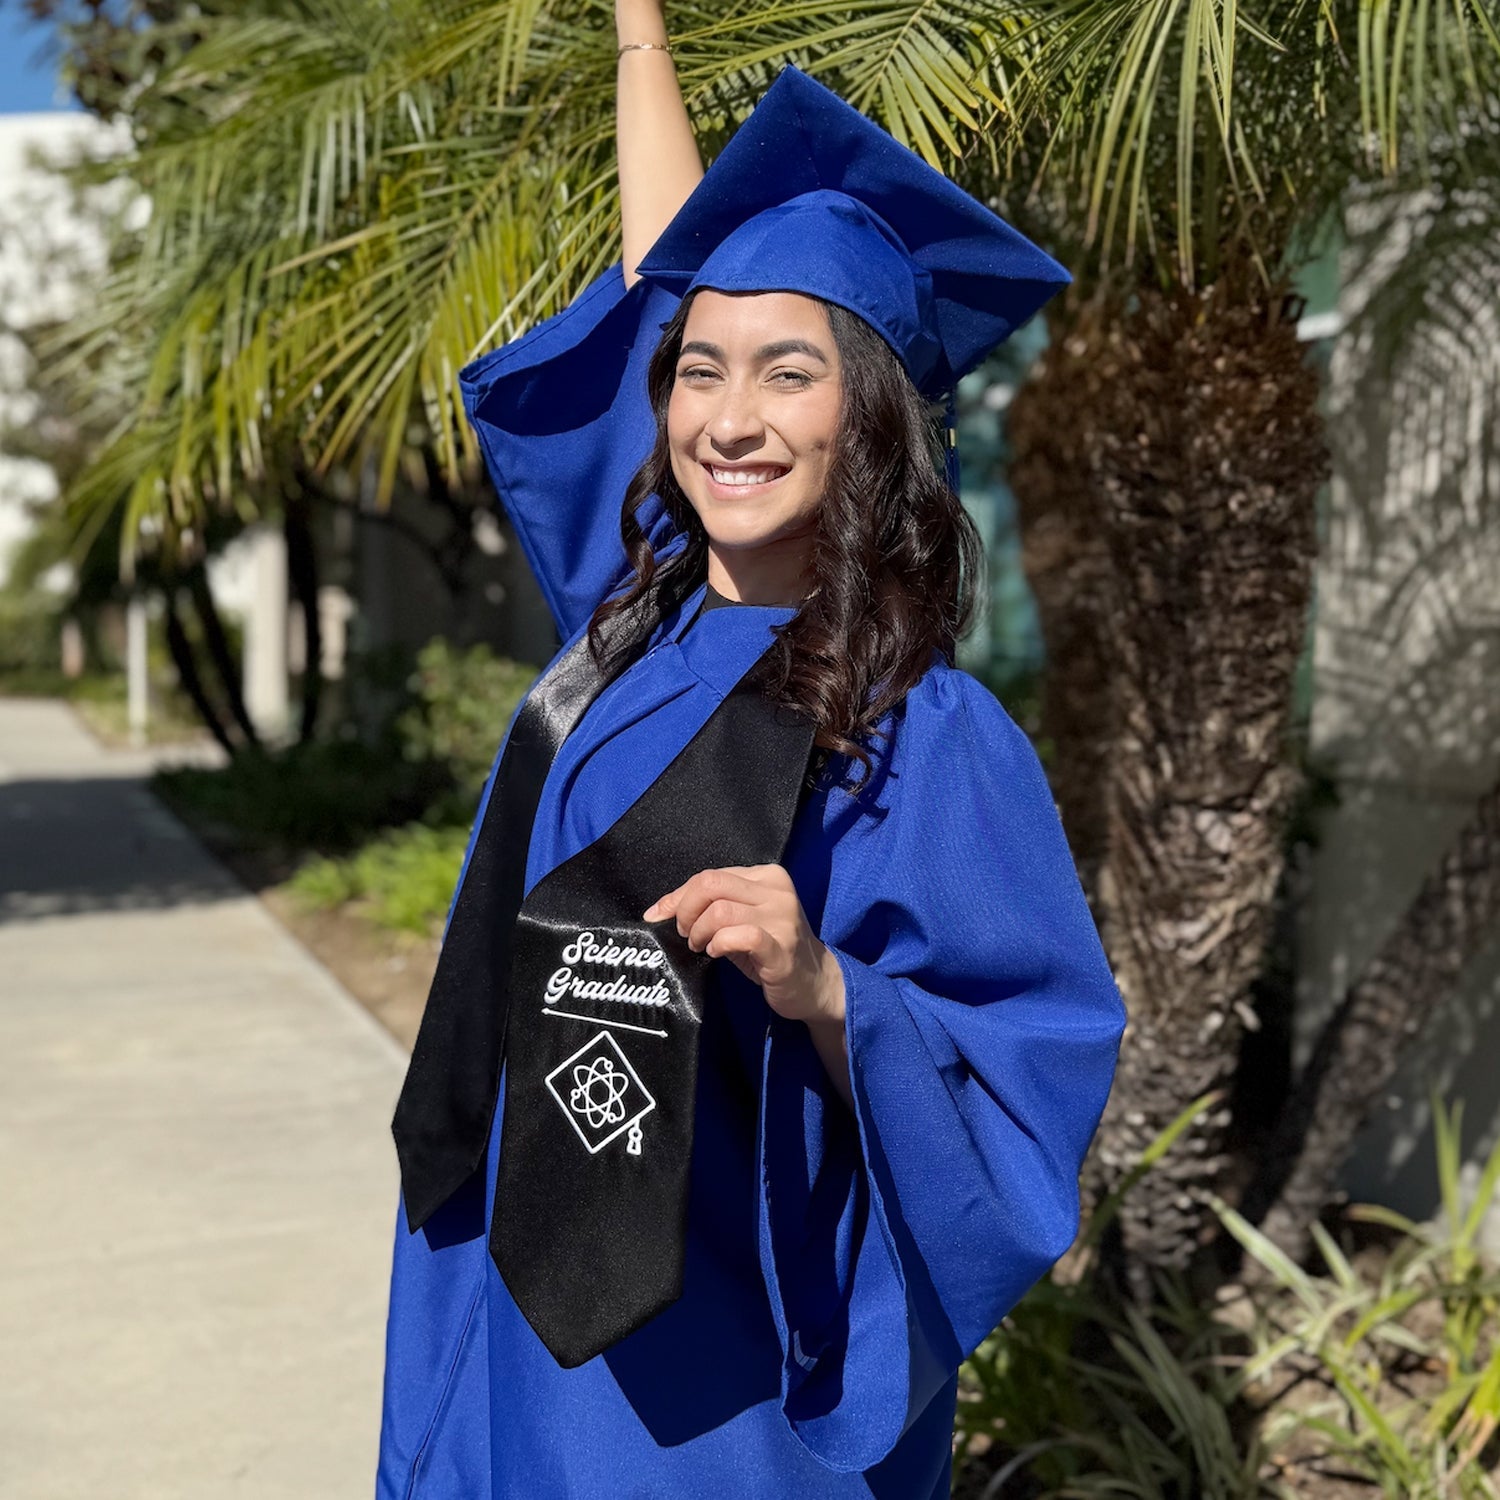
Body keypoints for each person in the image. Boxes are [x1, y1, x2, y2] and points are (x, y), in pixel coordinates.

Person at [375, 8, 1127, 1496]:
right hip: (505, 1289)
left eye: (790, 374)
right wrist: (639, 32)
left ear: (876, 420)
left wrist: (828, 987)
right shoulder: (629, 623)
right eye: (699, 373)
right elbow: (671, 266)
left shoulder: (925, 730)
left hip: (723, 1358)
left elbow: (1032, 1062)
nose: (729, 417)